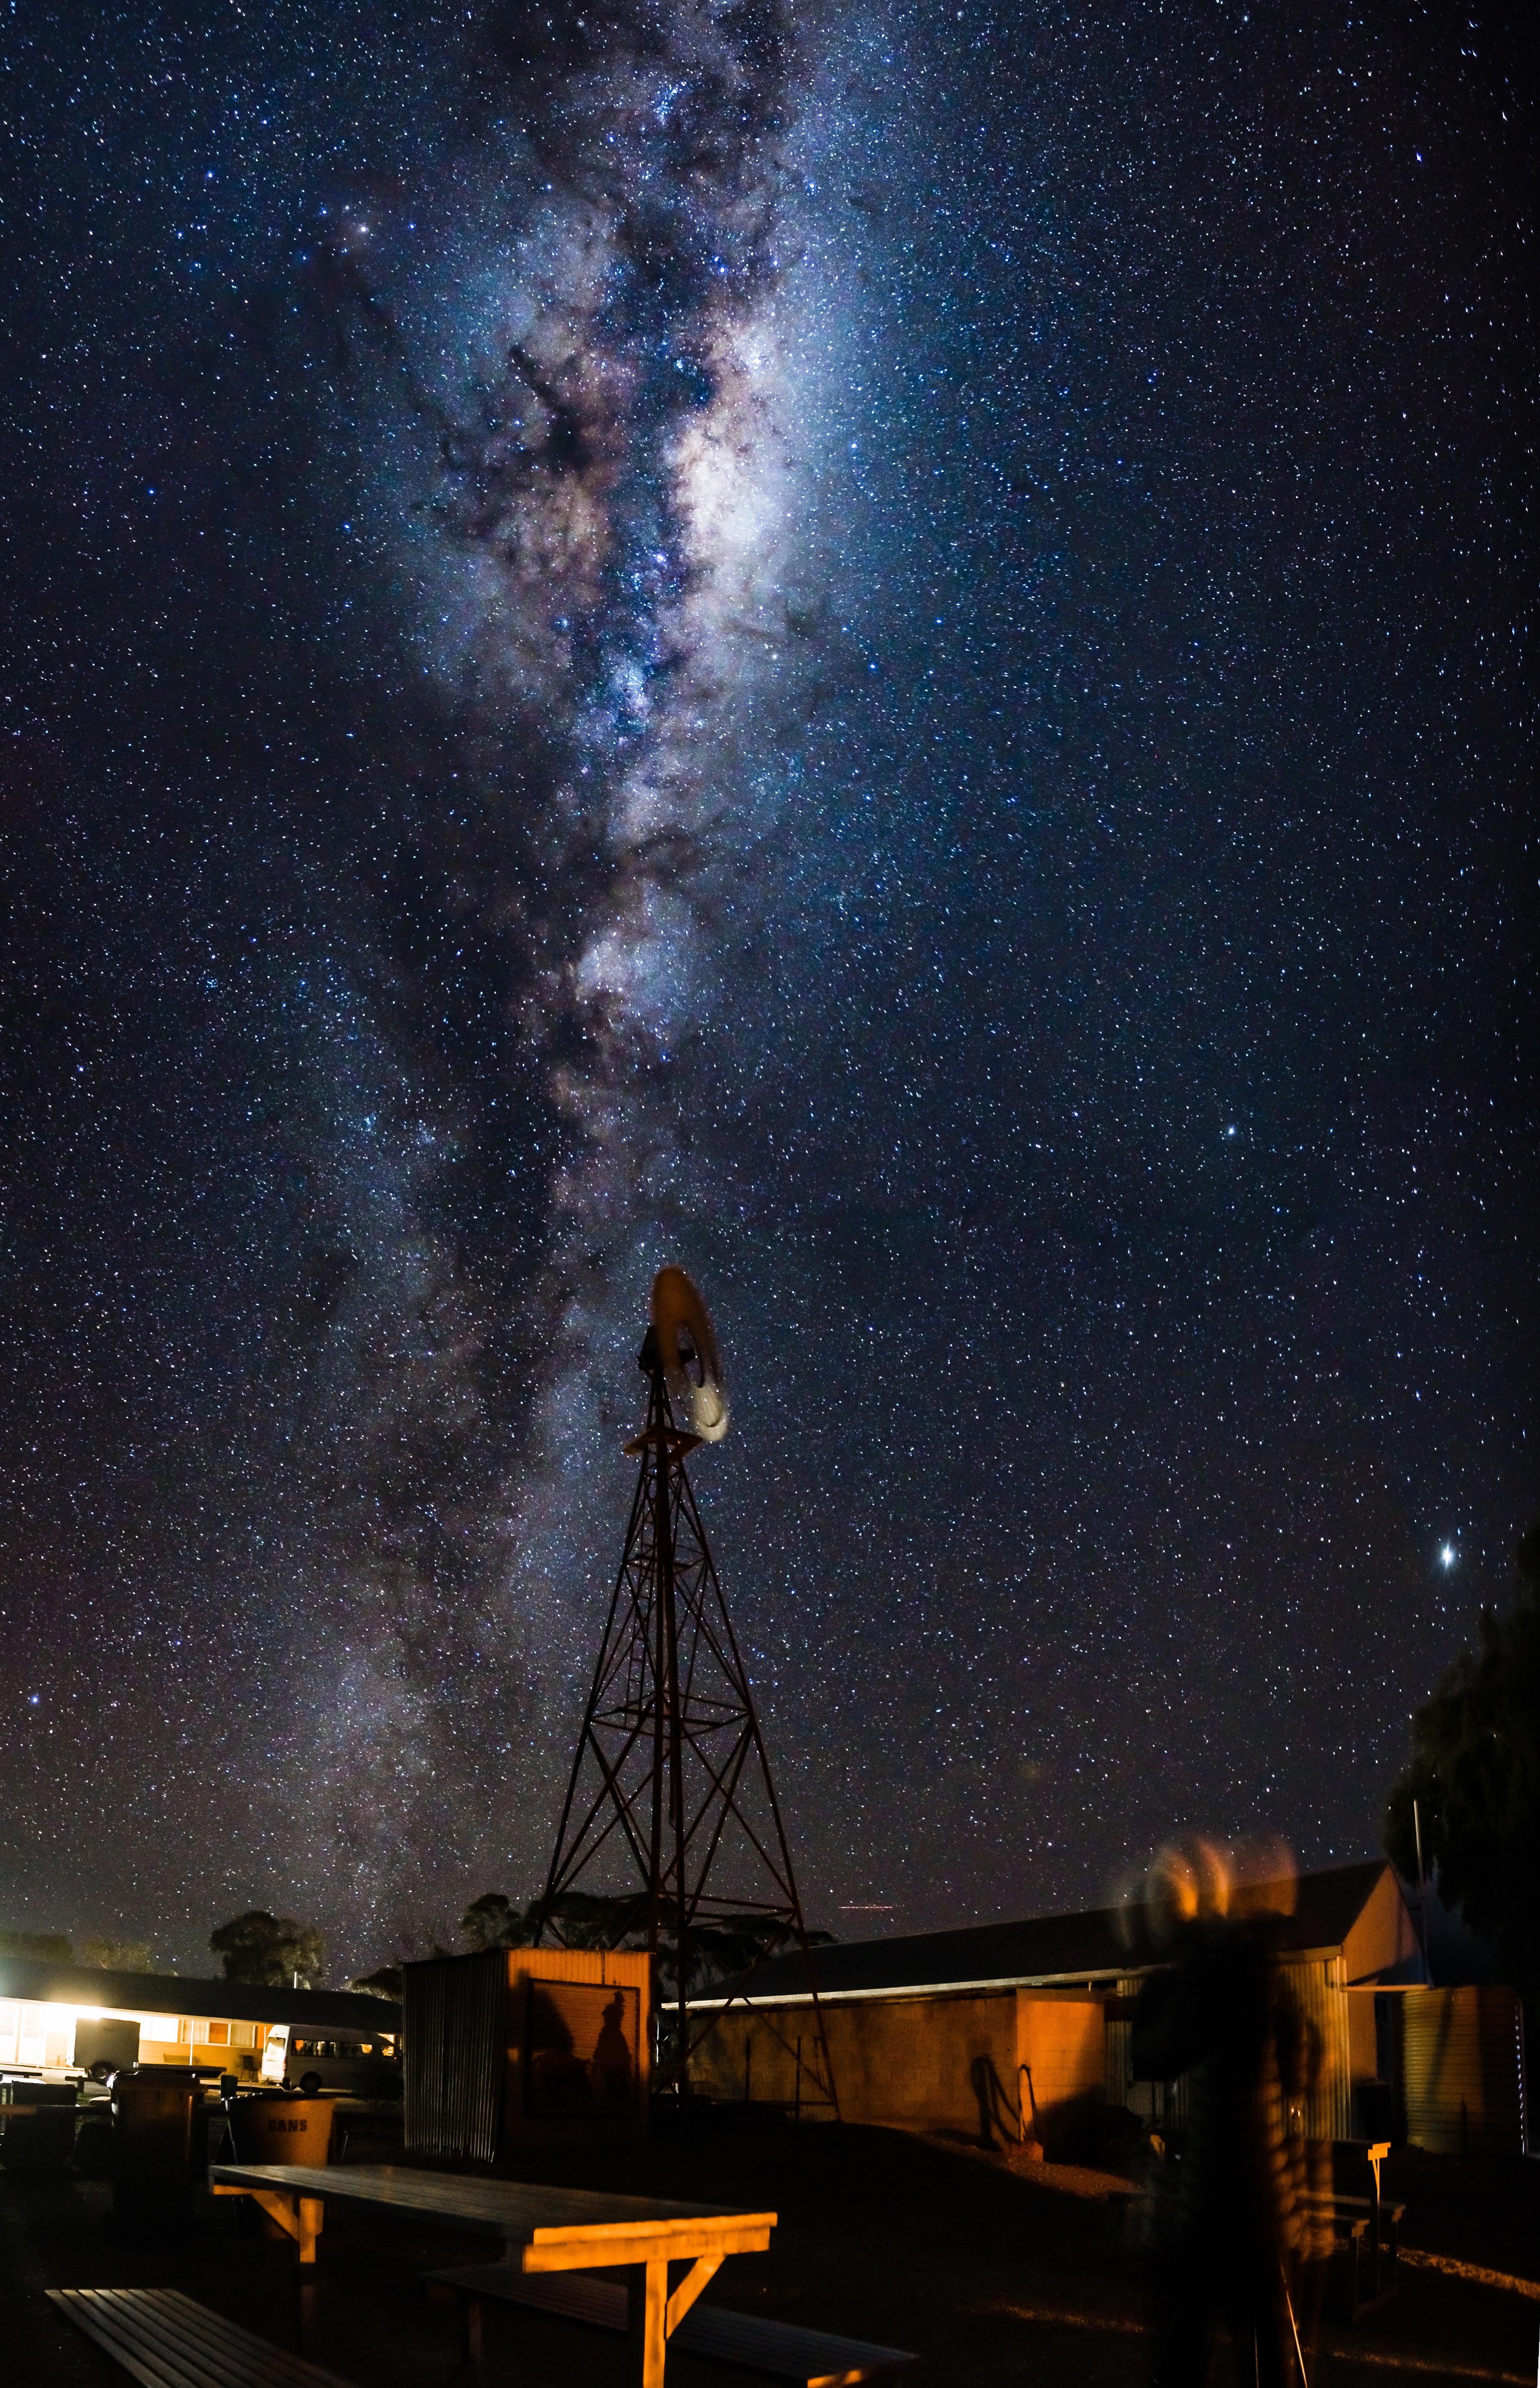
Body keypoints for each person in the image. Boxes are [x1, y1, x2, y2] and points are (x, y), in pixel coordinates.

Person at [1131, 1838, 1306, 2387]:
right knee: (1269, 2348)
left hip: (1215, 2197)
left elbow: (1156, 2053)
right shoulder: (1260, 1966)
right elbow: (1301, 2059)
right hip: (1267, 2199)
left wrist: (1154, 1996)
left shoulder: (1207, 1972)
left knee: (1185, 2350)